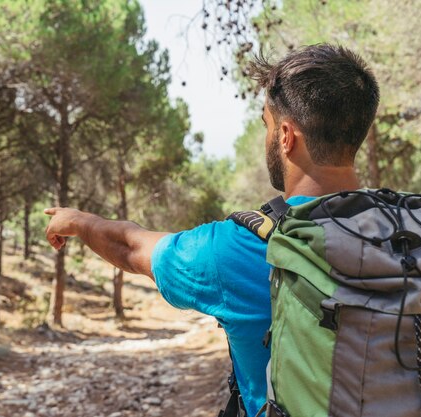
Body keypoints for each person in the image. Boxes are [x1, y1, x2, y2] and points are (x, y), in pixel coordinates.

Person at [44, 43, 380, 417]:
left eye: (266, 125)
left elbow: (128, 247)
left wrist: (78, 221)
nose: (267, 138)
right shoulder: (419, 238)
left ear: (286, 136)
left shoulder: (245, 248)